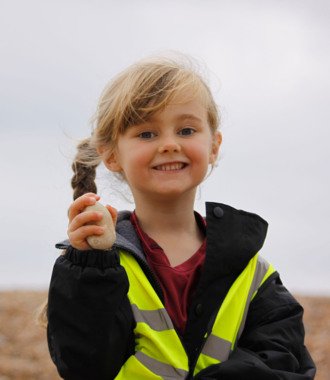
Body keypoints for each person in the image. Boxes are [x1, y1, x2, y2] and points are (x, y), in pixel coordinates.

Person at [46, 55, 316, 379]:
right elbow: (82, 364)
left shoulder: (251, 272)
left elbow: (283, 359)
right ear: (112, 155)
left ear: (213, 146)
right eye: (147, 134)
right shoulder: (97, 263)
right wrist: (90, 268)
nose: (170, 144)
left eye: (186, 130)